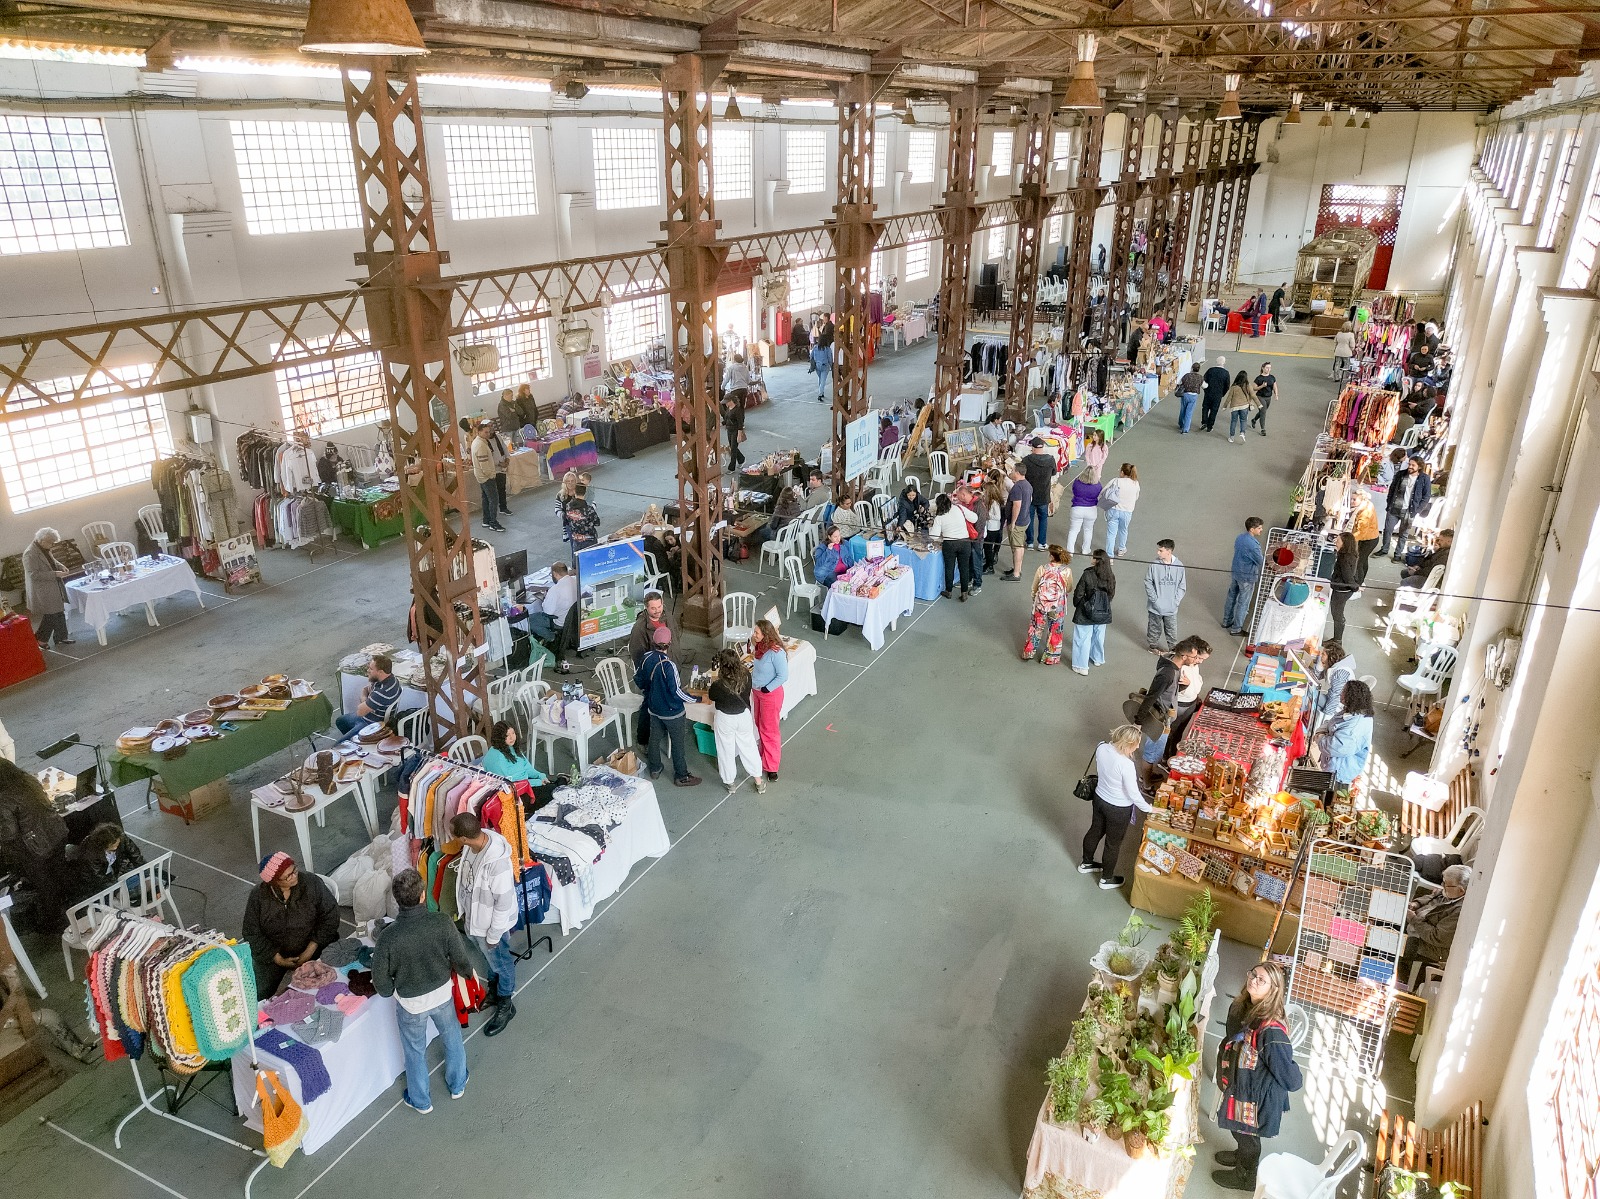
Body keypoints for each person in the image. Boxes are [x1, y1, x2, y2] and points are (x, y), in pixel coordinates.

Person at [372, 868, 474, 1113]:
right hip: (442, 995)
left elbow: (381, 983)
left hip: (410, 1005)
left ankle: (420, 1100)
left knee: (414, 1052)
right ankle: (457, 1084)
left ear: (397, 901)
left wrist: (393, 993)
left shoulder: (388, 937)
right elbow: (460, 959)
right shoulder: (441, 922)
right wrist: (469, 974)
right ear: (422, 895)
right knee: (452, 1039)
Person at [1212, 961, 1303, 1191]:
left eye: (1262, 979)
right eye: (1253, 974)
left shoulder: (1271, 1030)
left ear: (1273, 990)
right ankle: (1240, 1155)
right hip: (1244, 1084)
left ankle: (1246, 1176)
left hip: (1257, 1095)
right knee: (1239, 1130)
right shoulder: (1245, 1006)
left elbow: (1291, 1079)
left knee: (1248, 1136)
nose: (1254, 980)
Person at [449, 810, 518, 1035]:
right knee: (490, 961)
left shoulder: (496, 864)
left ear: (464, 838)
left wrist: (494, 935)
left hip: (491, 927)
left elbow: (504, 903)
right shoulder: (472, 847)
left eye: (455, 836)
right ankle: (495, 991)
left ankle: (506, 1003)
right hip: (477, 921)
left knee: (501, 962)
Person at [242, 852, 340, 998]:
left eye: (294, 870)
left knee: (329, 983)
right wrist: (277, 958)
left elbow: (331, 916)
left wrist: (310, 949)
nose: (294, 876)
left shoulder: (311, 883)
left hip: (315, 944)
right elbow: (251, 932)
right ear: (274, 882)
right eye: (288, 876)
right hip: (274, 952)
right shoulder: (258, 896)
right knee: (256, 994)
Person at [1079, 724, 1152, 888]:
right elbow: (1133, 794)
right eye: (1136, 743)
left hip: (1099, 798)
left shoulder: (1101, 747)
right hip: (1118, 809)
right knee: (1113, 843)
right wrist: (1150, 809)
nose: (1138, 746)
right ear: (1128, 744)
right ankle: (1106, 879)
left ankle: (1086, 863)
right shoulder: (1126, 765)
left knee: (1095, 830)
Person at [635, 625, 702, 787]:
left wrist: (649, 692)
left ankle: (655, 768)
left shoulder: (646, 657)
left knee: (654, 739)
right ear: (669, 643)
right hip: (672, 712)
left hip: (654, 709)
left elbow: (638, 678)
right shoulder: (669, 666)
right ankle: (681, 775)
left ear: (654, 641)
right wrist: (696, 699)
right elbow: (676, 693)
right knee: (678, 743)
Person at [1401, 865, 1472, 975]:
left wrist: (1414, 920)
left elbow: (1436, 937)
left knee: (1394, 944)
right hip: (1418, 924)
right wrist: (1416, 903)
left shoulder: (1460, 911)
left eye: (1445, 884)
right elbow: (1432, 896)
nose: (1442, 886)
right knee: (1391, 916)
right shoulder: (1450, 891)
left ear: (1461, 891)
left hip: (1429, 945)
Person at [63, 821, 145, 905]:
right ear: (103, 845)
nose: (116, 846)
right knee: (116, 901)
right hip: (94, 884)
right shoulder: (91, 854)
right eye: (112, 846)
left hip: (115, 872)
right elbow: (99, 879)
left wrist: (146, 872)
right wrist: (117, 889)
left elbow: (136, 856)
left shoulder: (121, 837)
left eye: (117, 843)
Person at [749, 619, 788, 783]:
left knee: (769, 730)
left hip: (769, 695)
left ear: (765, 634)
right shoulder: (760, 647)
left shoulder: (776, 652)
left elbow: (783, 676)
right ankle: (763, 755)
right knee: (760, 724)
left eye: (757, 632)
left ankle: (772, 767)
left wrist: (767, 688)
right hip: (757, 692)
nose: (754, 634)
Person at [1316, 679, 1375, 786]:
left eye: (1344, 691)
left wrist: (1320, 737)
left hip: (1338, 775)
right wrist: (1322, 732)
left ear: (1351, 696)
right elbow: (1331, 723)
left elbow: (1333, 747)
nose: (1341, 693)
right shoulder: (1353, 711)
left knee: (1327, 798)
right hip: (1333, 766)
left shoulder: (1354, 727)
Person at [23, 527, 73, 649]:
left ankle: (61, 637)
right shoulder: (30, 553)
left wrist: (61, 566)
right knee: (51, 614)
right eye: (50, 543)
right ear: (42, 540)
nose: (52, 546)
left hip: (52, 585)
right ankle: (40, 639)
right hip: (43, 589)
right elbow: (33, 575)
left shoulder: (44, 548)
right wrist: (55, 574)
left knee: (59, 611)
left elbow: (51, 560)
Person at [1021, 545, 1072, 665]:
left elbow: (1034, 587)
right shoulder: (1066, 571)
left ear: (1052, 556)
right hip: (1057, 606)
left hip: (1041, 604)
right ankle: (1051, 657)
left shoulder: (1042, 568)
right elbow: (1069, 588)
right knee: (1055, 630)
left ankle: (1029, 652)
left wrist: (1035, 599)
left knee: (1035, 628)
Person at [1070, 548, 1116, 675]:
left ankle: (1081, 666)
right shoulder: (1110, 575)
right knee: (1099, 636)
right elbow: (1111, 594)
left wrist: (1079, 604)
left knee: (1082, 638)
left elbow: (1079, 592)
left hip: (1086, 611)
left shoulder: (1087, 574)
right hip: (1103, 611)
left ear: (1096, 560)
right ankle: (1097, 658)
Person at [335, 653, 403, 737]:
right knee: (340, 721)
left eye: (371, 669)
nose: (368, 671)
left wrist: (364, 698)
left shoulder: (381, 692)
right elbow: (367, 689)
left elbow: (360, 712)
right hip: (372, 716)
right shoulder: (392, 679)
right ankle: (353, 739)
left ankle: (356, 741)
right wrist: (367, 701)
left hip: (370, 723)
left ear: (380, 672)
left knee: (338, 746)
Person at [1381, 454, 1433, 560]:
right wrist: (1389, 503)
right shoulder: (1401, 474)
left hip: (1410, 510)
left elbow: (1426, 496)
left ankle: (1397, 555)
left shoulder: (1424, 478)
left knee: (1403, 534)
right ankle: (1384, 549)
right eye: (1409, 464)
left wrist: (1417, 510)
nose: (1410, 466)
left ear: (1419, 467)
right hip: (1394, 507)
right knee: (1388, 530)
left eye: (1413, 465)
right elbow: (1392, 489)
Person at [930, 492, 979, 601]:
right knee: (964, 567)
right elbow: (974, 518)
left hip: (949, 544)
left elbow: (933, 536)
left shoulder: (939, 517)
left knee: (949, 567)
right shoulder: (959, 508)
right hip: (965, 542)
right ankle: (964, 592)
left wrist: (941, 537)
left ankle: (948, 591)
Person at [480, 719, 549, 793]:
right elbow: (510, 784)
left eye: (513, 733)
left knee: (554, 785)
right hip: (514, 791)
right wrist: (537, 782)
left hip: (525, 782)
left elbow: (526, 766)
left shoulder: (511, 747)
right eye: (507, 735)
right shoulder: (498, 759)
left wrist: (540, 776)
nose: (512, 737)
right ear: (499, 737)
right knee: (552, 790)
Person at [1144, 538, 1186, 653]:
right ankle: (1153, 647)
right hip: (1155, 607)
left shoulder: (1179, 566)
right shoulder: (1154, 565)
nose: (1158, 552)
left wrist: (1175, 602)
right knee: (1154, 628)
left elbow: (1182, 587)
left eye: (1160, 550)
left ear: (1169, 551)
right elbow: (1148, 582)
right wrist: (1155, 600)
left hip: (1171, 608)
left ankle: (1173, 649)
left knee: (1171, 629)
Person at [1223, 518, 1264, 635]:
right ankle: (1236, 628)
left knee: (1231, 597)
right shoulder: (1253, 545)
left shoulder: (1240, 537)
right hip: (1247, 576)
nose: (1261, 530)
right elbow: (1260, 560)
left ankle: (1226, 621)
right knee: (1243, 602)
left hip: (1236, 572)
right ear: (1252, 529)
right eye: (1259, 528)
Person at [525, 560, 578, 644]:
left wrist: (545, 599)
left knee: (530, 620)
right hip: (573, 618)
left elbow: (548, 612)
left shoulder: (555, 590)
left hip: (559, 621)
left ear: (555, 574)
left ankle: (551, 637)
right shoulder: (576, 581)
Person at [470, 419, 508, 531]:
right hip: (486, 477)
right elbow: (484, 465)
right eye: (485, 432)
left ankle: (486, 520)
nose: (488, 434)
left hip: (481, 476)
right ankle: (493, 522)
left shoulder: (478, 442)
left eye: (488, 432)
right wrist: (491, 475)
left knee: (486, 499)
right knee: (493, 499)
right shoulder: (481, 445)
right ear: (479, 432)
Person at [1020, 438, 1058, 549]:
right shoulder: (1050, 460)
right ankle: (1042, 543)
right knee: (1043, 519)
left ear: (1032, 447)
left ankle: (1030, 542)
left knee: (1029, 518)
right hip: (1044, 495)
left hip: (1030, 495)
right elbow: (1054, 472)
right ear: (1043, 446)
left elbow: (1022, 474)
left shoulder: (1026, 460)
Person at [1000, 463, 1034, 580]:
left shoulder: (1017, 488)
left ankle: (1016, 574)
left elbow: (1016, 505)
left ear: (1018, 473)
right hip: (1025, 519)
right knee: (1019, 546)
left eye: (1013, 470)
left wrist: (1013, 522)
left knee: (1017, 548)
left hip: (1018, 522)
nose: (1011, 472)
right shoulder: (1027, 485)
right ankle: (1017, 569)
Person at [627, 591, 680, 667]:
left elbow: (676, 637)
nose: (658, 611)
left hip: (673, 665)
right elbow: (637, 654)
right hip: (654, 670)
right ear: (646, 607)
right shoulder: (639, 627)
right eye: (653, 608)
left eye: (659, 606)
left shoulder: (668, 616)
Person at [1327, 532, 1361, 642]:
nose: (1336, 542)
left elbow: (1347, 577)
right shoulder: (1351, 555)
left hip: (1341, 591)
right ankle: (1337, 638)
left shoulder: (1344, 558)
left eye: (1338, 541)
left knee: (1337, 614)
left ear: (1345, 543)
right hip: (1343, 589)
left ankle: (1337, 640)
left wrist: (1355, 587)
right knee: (1338, 614)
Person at [1102, 463, 1140, 558]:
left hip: (1113, 509)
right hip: (1127, 511)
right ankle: (1121, 549)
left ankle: (1109, 556)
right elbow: (1136, 497)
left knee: (1111, 533)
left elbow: (1104, 491)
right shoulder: (1135, 483)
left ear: (1122, 472)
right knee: (1123, 530)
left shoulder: (1116, 481)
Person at [721, 354, 751, 470]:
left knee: (733, 408)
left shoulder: (732, 367)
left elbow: (727, 378)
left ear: (734, 360)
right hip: (744, 389)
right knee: (741, 407)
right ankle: (740, 421)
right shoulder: (744, 367)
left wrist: (723, 386)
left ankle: (738, 424)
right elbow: (748, 380)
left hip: (735, 389)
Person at [1318, 639, 1357, 722]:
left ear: (1331, 657)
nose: (1321, 656)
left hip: (1339, 708)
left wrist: (1324, 721)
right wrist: (1320, 665)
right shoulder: (1335, 667)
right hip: (1336, 702)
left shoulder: (1340, 673)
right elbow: (1316, 677)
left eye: (1323, 654)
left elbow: (1334, 698)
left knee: (1313, 697)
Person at [1066, 465, 1102, 554]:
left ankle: (1070, 551)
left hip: (1077, 508)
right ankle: (1086, 549)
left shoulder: (1077, 483)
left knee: (1073, 530)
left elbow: (1074, 491)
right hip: (1091, 509)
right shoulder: (1097, 485)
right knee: (1088, 530)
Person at [560, 484, 600, 556]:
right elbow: (597, 522)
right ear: (585, 492)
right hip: (589, 540)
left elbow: (566, 519)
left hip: (576, 539)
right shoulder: (588, 509)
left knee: (578, 561)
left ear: (575, 491)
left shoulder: (568, 507)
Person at [1351, 489, 1382, 583]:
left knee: (1359, 561)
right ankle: (1361, 580)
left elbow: (1361, 533)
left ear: (1361, 500)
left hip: (1369, 539)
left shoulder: (1364, 513)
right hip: (1371, 537)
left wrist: (1349, 539)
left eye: (1354, 500)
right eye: (1351, 499)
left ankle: (1358, 583)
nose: (1351, 501)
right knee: (1363, 560)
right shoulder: (1366, 504)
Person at [979, 476, 1006, 575]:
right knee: (987, 547)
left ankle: (989, 566)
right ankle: (988, 564)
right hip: (991, 527)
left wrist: (987, 514)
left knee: (988, 547)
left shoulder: (994, 503)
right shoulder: (991, 501)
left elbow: (997, 517)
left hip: (993, 528)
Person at [1225, 370, 1258, 444]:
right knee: (1243, 420)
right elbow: (1253, 395)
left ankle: (1231, 437)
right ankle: (1242, 433)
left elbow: (1229, 397)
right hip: (1244, 406)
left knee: (1233, 421)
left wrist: (1225, 406)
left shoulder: (1234, 387)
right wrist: (1259, 404)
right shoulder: (1248, 385)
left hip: (1234, 407)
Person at [1201, 355, 1231, 433]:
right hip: (1218, 394)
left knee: (1205, 407)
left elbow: (1204, 380)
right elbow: (1227, 386)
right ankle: (1210, 426)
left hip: (1208, 392)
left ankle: (1204, 421)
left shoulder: (1210, 370)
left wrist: (1206, 389)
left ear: (1216, 362)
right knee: (1214, 410)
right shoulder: (1226, 373)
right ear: (1224, 363)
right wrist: (1222, 394)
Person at [810, 321, 834, 402]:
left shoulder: (815, 348)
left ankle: (822, 392)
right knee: (823, 380)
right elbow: (830, 358)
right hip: (825, 366)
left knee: (820, 378)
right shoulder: (827, 349)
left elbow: (811, 356)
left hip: (817, 366)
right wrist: (832, 366)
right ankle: (820, 394)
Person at [1176, 363, 1202, 435]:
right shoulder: (1200, 377)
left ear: (1192, 368)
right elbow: (1204, 386)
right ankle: (1185, 429)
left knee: (1183, 409)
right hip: (1194, 396)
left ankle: (1181, 423)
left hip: (1185, 394)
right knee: (1189, 412)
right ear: (1199, 369)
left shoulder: (1186, 375)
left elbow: (1180, 382)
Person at [1251, 362, 1276, 436]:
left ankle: (1254, 419)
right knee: (1263, 412)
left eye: (1270, 368)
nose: (1268, 369)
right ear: (1263, 368)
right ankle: (1263, 429)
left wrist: (1276, 394)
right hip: (1260, 397)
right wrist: (1261, 386)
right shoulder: (1259, 378)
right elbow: (1254, 388)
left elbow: (1275, 386)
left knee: (1262, 411)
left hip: (1268, 397)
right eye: (1267, 368)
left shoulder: (1272, 377)